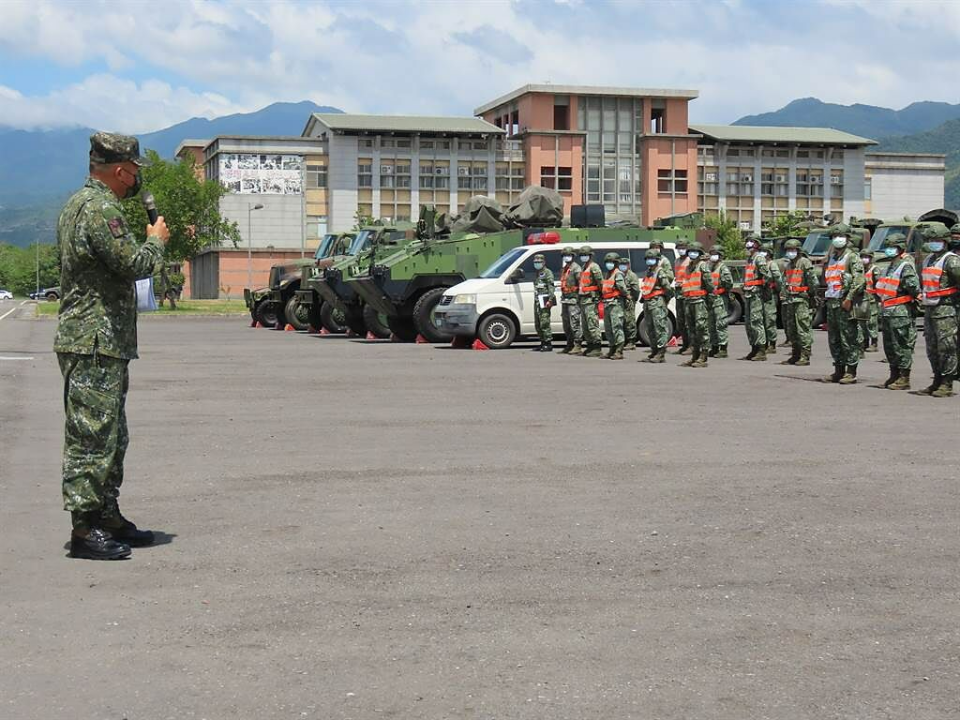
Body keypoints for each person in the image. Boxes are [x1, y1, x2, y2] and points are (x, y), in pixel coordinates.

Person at [56, 132, 169, 560]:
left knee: (111, 434)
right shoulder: (100, 209)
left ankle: (106, 514)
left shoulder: (80, 205)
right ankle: (85, 528)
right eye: (136, 170)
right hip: (94, 340)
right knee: (92, 436)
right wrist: (156, 239)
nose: (137, 178)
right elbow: (132, 265)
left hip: (98, 340)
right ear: (121, 170)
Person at [915, 223, 960, 397]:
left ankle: (947, 383)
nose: (933, 243)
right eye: (931, 240)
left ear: (945, 241)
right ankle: (937, 380)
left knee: (947, 347)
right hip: (930, 309)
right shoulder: (928, 260)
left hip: (946, 310)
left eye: (937, 240)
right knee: (932, 348)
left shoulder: (952, 260)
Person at [871, 233, 919, 390]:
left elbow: (913, 288)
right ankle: (894, 374)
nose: (890, 250)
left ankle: (904, 378)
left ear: (900, 248)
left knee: (902, 345)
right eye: (888, 247)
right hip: (888, 311)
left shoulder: (905, 265)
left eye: (893, 247)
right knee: (890, 346)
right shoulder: (890, 266)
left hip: (900, 312)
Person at [820, 229, 866, 384]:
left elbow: (859, 280)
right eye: (834, 236)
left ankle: (851, 371)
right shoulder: (832, 258)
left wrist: (849, 298)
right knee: (834, 339)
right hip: (832, 302)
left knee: (848, 338)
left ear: (847, 238)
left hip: (845, 302)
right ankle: (838, 370)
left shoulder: (852, 257)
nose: (837, 239)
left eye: (841, 236)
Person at [778, 238, 818, 366]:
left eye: (793, 249)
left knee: (803, 328)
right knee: (792, 329)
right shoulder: (789, 264)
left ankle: (805, 355)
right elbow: (785, 281)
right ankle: (795, 355)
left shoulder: (804, 262)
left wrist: (811, 294)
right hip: (790, 299)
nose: (790, 252)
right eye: (788, 250)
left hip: (801, 299)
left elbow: (813, 281)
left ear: (798, 250)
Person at [679, 240, 715, 367]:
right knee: (691, 330)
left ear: (699, 253)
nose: (692, 254)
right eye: (690, 251)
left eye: (695, 252)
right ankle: (695, 355)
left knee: (701, 329)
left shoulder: (703, 266)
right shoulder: (688, 267)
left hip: (700, 301)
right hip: (689, 301)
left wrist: (709, 300)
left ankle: (703, 357)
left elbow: (709, 285)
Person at [640, 247, 673, 363]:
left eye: (652, 259)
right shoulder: (648, 272)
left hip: (657, 302)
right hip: (648, 303)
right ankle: (654, 351)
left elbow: (667, 289)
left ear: (657, 260)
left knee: (660, 328)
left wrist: (664, 300)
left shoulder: (660, 272)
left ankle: (661, 353)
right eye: (648, 259)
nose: (650, 260)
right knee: (651, 328)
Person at [740, 233, 769, 361]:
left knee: (757, 321)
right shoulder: (750, 259)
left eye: (751, 241)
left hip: (756, 294)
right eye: (748, 241)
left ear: (757, 244)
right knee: (749, 323)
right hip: (748, 293)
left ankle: (761, 350)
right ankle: (754, 348)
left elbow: (766, 276)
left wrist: (764, 290)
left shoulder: (759, 258)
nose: (749, 244)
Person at [577, 245, 605, 358]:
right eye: (582, 255)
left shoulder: (594, 267)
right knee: (585, 325)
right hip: (583, 299)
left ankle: (597, 347)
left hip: (591, 299)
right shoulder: (584, 266)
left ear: (590, 256)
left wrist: (600, 296)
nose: (583, 257)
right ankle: (590, 346)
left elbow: (600, 283)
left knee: (592, 323)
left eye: (585, 255)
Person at [600, 251, 628, 359]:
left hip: (615, 304)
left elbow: (622, 288)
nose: (609, 264)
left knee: (617, 327)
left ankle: (619, 351)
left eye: (611, 262)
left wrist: (625, 296)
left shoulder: (618, 274)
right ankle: (612, 348)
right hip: (607, 304)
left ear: (616, 263)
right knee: (608, 328)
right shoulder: (607, 274)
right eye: (607, 262)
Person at [707, 245, 733, 358]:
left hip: (720, 299)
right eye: (711, 253)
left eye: (715, 253)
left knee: (720, 324)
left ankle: (723, 349)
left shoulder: (723, 268)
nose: (712, 256)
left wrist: (721, 291)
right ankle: (714, 347)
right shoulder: (710, 267)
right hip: (711, 299)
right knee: (711, 324)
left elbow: (728, 283)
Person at [558, 246, 583, 354]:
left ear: (573, 256)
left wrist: (579, 297)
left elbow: (581, 283)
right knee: (566, 324)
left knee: (575, 323)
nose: (566, 257)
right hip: (565, 300)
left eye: (568, 255)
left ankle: (578, 345)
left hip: (574, 299)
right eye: (564, 255)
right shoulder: (565, 268)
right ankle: (569, 344)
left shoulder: (576, 268)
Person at [760, 240, 781, 354]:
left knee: (770, 320)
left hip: (770, 295)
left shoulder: (772, 264)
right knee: (762, 320)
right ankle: (765, 343)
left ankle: (772, 344)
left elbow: (778, 279)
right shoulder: (761, 264)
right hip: (761, 295)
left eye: (764, 251)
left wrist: (777, 290)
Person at [531, 253, 555, 352]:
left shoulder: (547, 272)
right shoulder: (537, 273)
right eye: (536, 262)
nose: (537, 264)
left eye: (539, 262)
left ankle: (548, 343)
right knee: (538, 323)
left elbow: (551, 286)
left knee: (544, 322)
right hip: (537, 301)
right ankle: (542, 342)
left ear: (544, 262)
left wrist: (550, 299)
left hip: (545, 300)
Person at [860, 248, 880, 353]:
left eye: (866, 257)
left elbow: (879, 284)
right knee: (862, 321)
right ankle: (865, 342)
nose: (864, 259)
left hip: (872, 299)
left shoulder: (874, 269)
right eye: (862, 257)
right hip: (862, 299)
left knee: (872, 322)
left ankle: (874, 342)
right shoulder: (860, 270)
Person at [673, 240, 690, 354]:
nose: (680, 249)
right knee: (681, 321)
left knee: (689, 321)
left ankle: (691, 345)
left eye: (683, 247)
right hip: (679, 293)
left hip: (687, 292)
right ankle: (685, 344)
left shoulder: (690, 261)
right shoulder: (677, 261)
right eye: (679, 247)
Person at [620, 255, 641, 350]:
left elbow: (636, 289)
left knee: (630, 320)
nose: (622, 266)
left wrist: (632, 299)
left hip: (629, 300)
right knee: (623, 321)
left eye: (624, 264)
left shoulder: (631, 275)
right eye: (621, 264)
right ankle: (625, 340)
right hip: (621, 300)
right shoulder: (619, 274)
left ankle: (631, 341)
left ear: (628, 265)